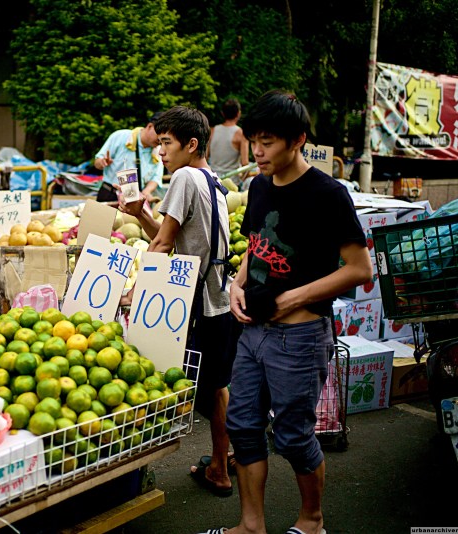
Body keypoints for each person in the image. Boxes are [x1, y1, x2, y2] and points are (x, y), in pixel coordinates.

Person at [206, 90, 371, 534]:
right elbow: (255, 247)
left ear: (297, 140)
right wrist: (238, 284)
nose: (256, 152)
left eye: (268, 142)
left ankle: (312, 521)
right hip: (252, 333)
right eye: (253, 141)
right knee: (243, 427)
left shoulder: (327, 193)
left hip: (299, 336)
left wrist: (292, 298)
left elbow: (359, 269)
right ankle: (251, 525)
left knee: (294, 437)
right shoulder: (258, 186)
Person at [118, 105, 238, 498]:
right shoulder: (210, 178)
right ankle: (224, 457)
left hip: (204, 306)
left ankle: (221, 468)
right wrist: (142, 214)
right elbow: (176, 237)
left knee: (210, 392)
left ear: (191, 144)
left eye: (167, 143)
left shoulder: (185, 176)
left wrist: (138, 290)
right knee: (216, 388)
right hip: (217, 302)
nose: (160, 152)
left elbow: (164, 244)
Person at [94, 112, 165, 202]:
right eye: (159, 135)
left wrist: (146, 192)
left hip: (135, 199)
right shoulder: (120, 136)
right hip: (110, 194)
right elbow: (97, 162)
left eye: (164, 137)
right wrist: (101, 162)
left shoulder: (159, 151)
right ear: (150, 126)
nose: (160, 140)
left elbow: (156, 177)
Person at [207, 98, 249, 185]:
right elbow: (245, 163)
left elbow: (204, 158)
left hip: (213, 181)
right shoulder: (241, 134)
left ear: (222, 113)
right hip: (232, 183)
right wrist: (243, 179)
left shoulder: (212, 131)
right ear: (238, 114)